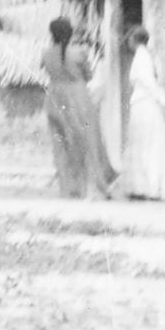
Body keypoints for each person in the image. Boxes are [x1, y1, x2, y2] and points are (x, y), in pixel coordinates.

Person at [40, 12, 121, 197]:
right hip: (78, 98)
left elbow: (45, 69)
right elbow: (89, 76)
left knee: (61, 144)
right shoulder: (79, 52)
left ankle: (69, 189)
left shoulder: (45, 53)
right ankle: (95, 186)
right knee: (88, 142)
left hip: (54, 98)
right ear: (70, 32)